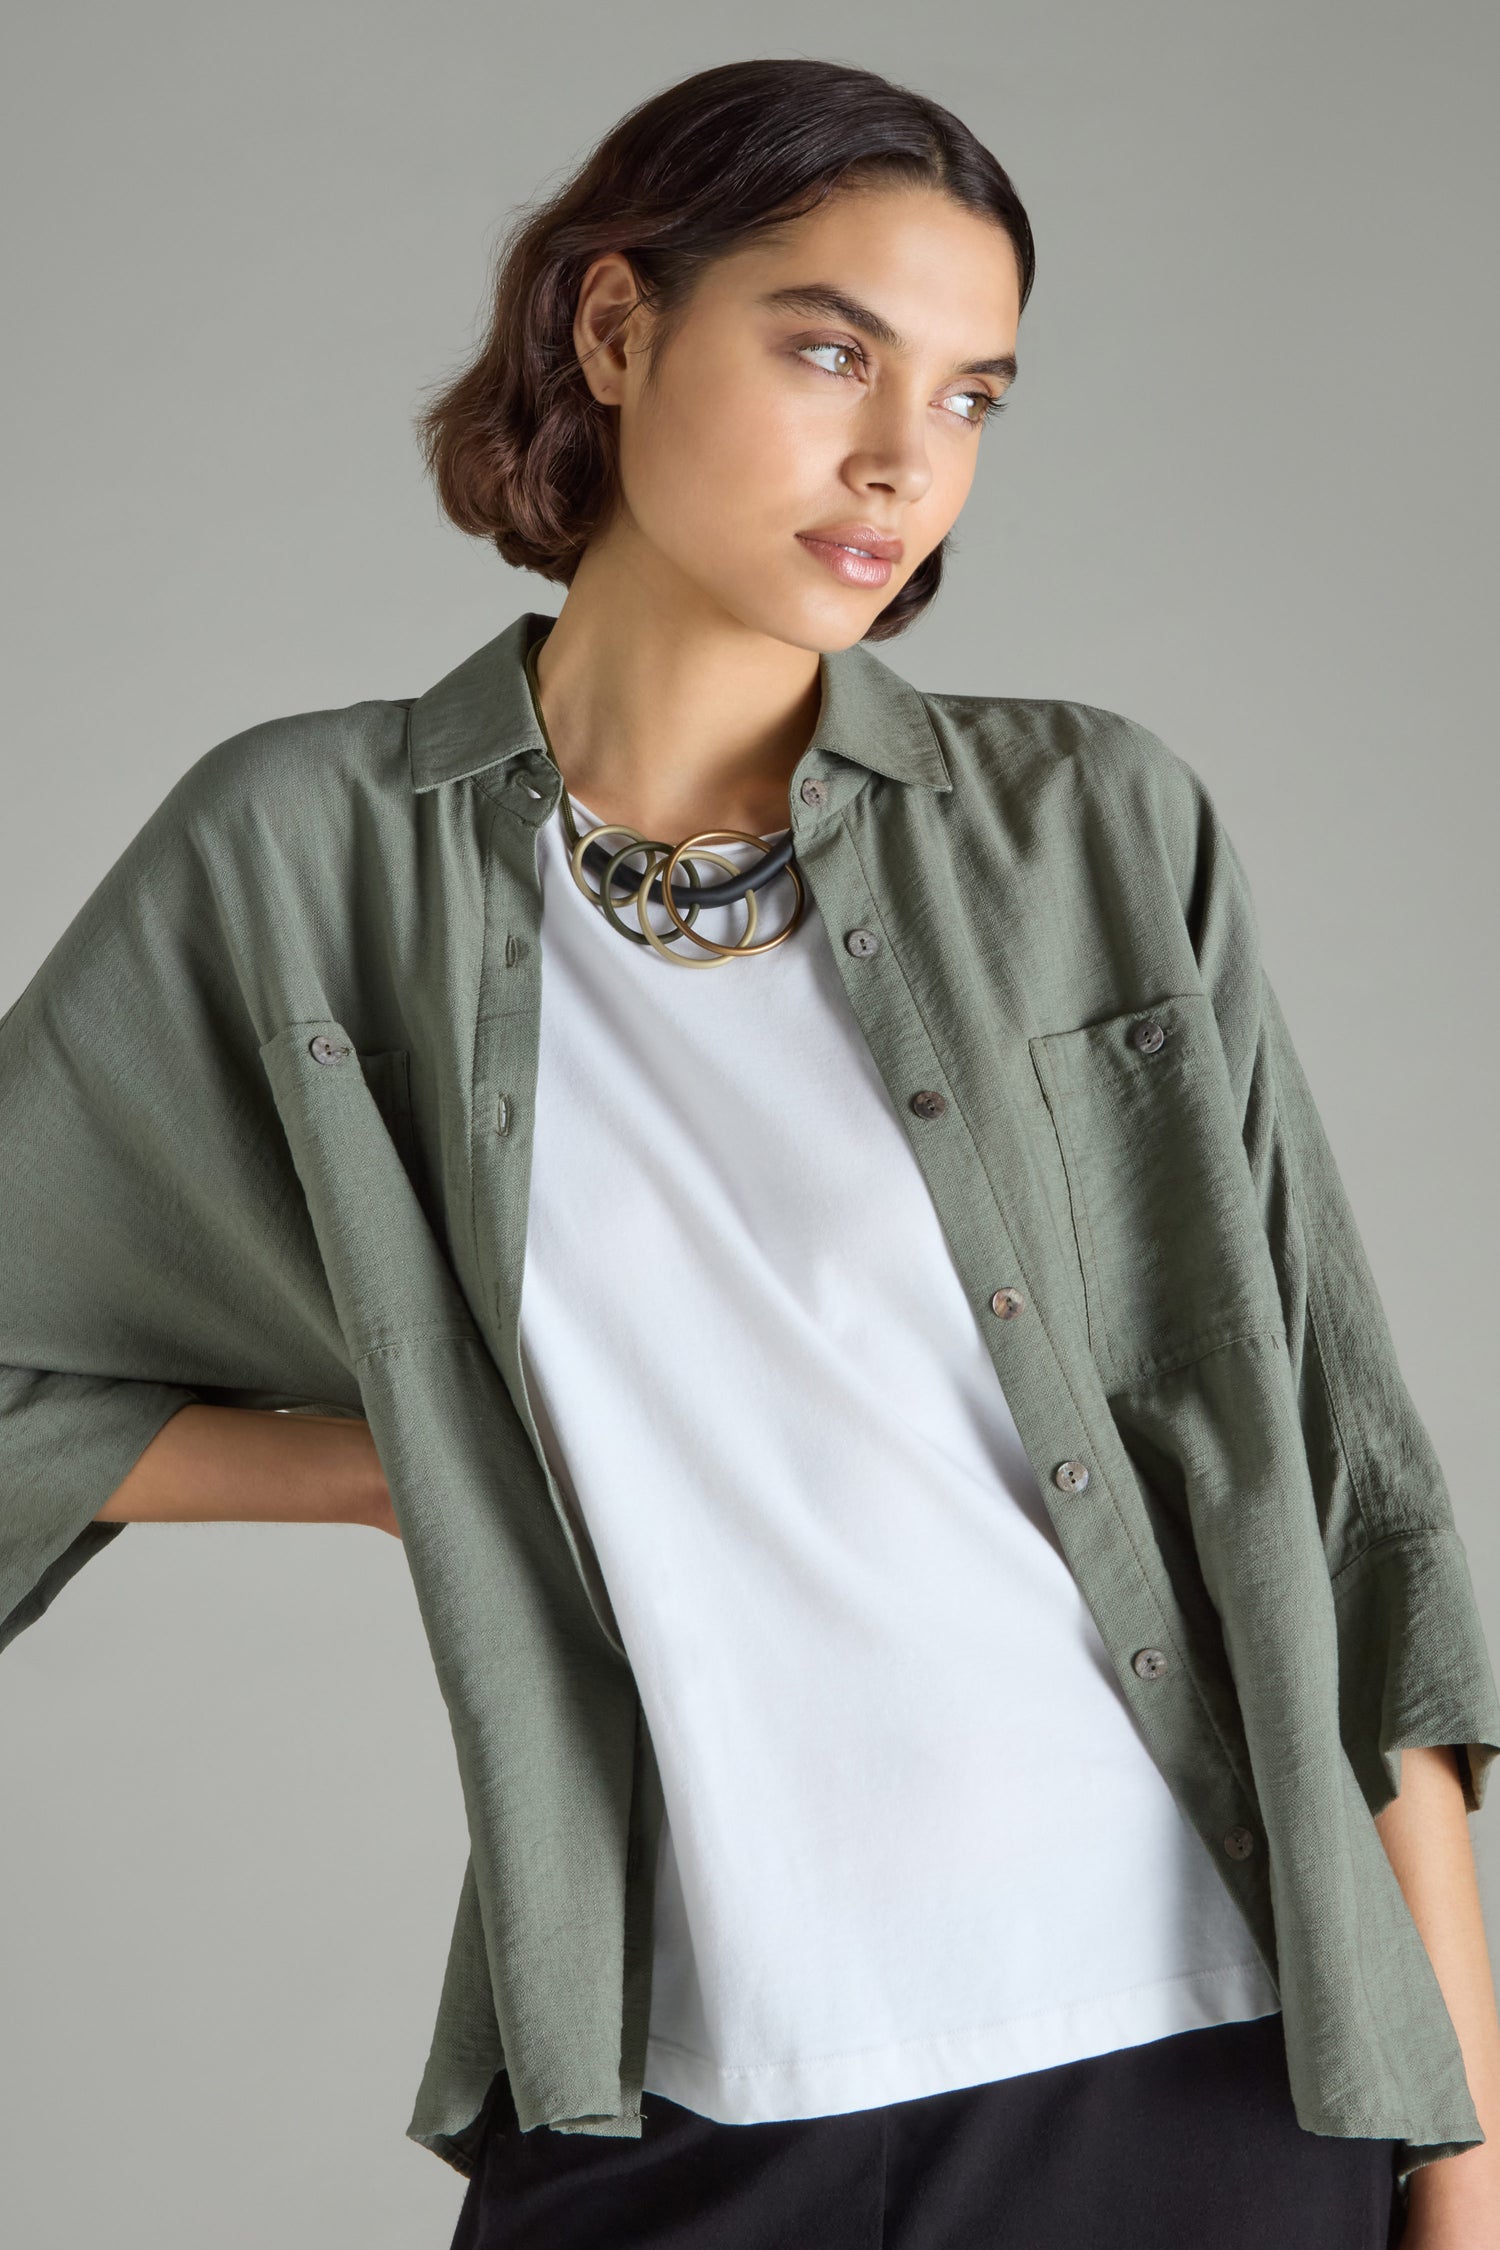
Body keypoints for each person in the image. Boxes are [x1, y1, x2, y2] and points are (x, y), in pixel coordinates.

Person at [3, 54, 1498, 2250]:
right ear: (613, 333)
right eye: (828, 351)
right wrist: (430, 1450)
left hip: (1200, 2060)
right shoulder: (308, 854)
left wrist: (1462, 2169)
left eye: (974, 398)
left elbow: (1332, 1486)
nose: (906, 461)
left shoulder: (1091, 825)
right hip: (674, 2086)